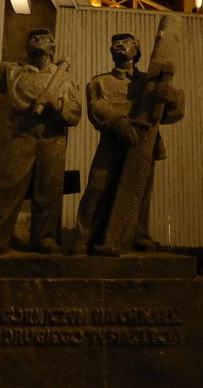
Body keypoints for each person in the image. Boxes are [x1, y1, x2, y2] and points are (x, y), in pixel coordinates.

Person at [0, 9, 81, 254]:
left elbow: (75, 111)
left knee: (49, 189)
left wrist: (58, 106)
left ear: (52, 46)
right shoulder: (13, 72)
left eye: (43, 37)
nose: (37, 40)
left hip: (52, 137)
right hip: (22, 134)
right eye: (32, 37)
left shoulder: (64, 80)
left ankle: (45, 239)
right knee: (8, 185)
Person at [75, 33, 184, 255]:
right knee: (98, 186)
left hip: (144, 141)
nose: (119, 45)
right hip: (112, 141)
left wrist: (171, 97)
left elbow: (171, 114)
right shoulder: (100, 82)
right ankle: (84, 236)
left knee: (139, 190)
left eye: (127, 42)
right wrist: (117, 123)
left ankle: (138, 235)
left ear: (137, 50)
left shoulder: (150, 83)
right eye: (115, 43)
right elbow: (96, 108)